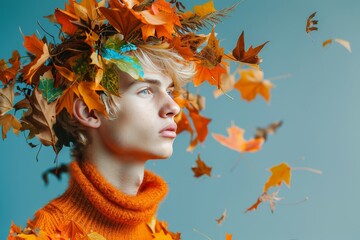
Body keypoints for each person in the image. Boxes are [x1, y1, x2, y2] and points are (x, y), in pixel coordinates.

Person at [2, 0, 242, 239]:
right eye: (145, 90)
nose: (172, 107)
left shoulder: (161, 234)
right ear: (90, 111)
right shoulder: (46, 233)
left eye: (169, 91)